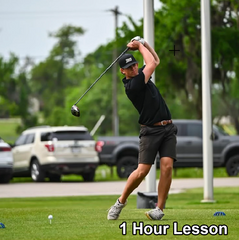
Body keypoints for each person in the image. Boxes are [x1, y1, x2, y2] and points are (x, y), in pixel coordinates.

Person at [107, 36, 178, 221]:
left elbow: (155, 60)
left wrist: (145, 44)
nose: (134, 68)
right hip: (150, 132)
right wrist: (139, 45)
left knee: (167, 167)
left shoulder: (140, 75)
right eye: (129, 67)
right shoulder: (133, 85)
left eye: (135, 65)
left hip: (167, 128)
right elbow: (152, 65)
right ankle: (120, 202)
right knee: (142, 171)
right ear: (123, 71)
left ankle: (159, 209)